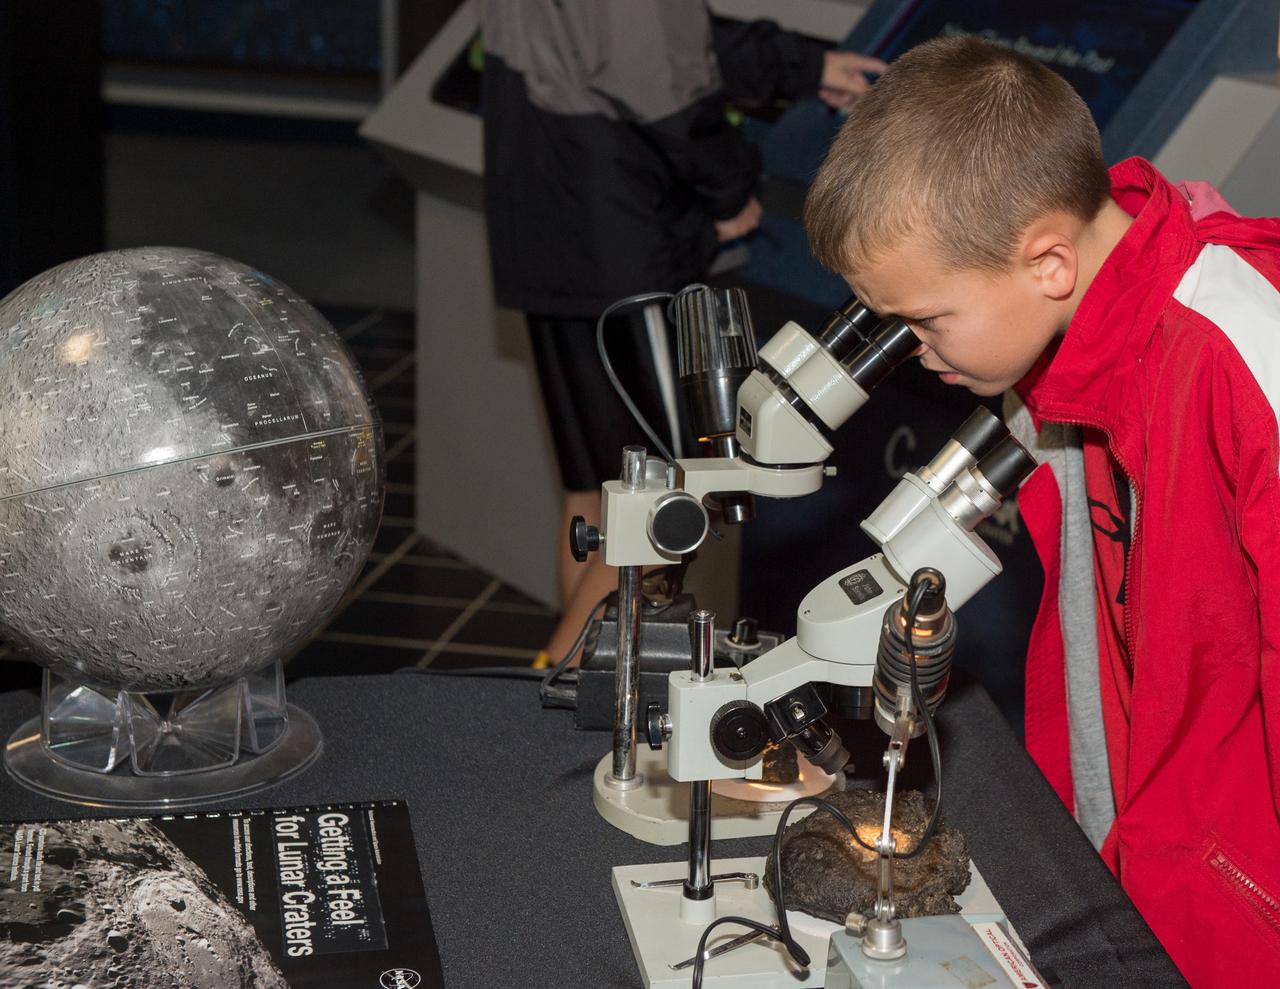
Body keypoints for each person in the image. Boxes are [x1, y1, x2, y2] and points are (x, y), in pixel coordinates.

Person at [803, 34, 1280, 986]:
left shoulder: (1241, 355)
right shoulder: (1066, 338)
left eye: (927, 322)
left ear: (1049, 261)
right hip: (1141, 865)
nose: (917, 354)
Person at [480, 1, 884, 665]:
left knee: (599, 489)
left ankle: (580, 689)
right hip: (620, 237)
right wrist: (730, 187)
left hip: (544, 218)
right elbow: (663, 78)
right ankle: (542, 704)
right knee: (663, 500)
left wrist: (802, 65)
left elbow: (636, 36)